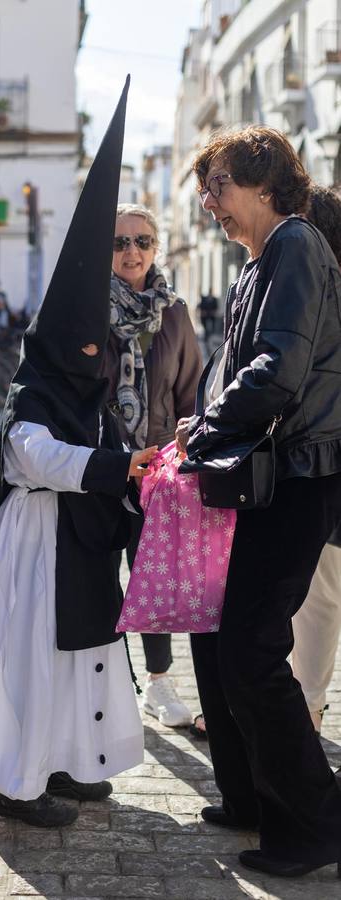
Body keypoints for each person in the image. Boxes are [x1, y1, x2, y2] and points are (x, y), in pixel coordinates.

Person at [0, 78, 153, 829]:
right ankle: (16, 782)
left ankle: (74, 763)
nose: (87, 355)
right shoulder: (33, 388)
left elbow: (104, 443)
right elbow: (33, 456)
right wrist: (114, 468)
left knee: (83, 658)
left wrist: (135, 464)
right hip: (35, 542)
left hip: (76, 544)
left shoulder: (87, 388)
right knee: (34, 665)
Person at [176, 126, 341, 879]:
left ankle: (314, 825)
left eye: (215, 185)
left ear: (262, 178)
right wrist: (202, 418)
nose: (207, 202)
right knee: (228, 641)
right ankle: (252, 798)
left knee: (250, 648)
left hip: (299, 477)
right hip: (270, 474)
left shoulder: (295, 245)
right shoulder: (260, 258)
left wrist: (208, 422)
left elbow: (277, 371)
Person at [102, 204, 202, 728]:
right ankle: (105, 679)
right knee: (98, 577)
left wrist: (184, 460)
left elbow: (191, 395)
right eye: (120, 243)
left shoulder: (176, 312)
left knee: (151, 577)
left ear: (156, 248)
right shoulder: (86, 309)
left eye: (142, 241)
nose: (131, 252)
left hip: (156, 471)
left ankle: (158, 683)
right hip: (98, 468)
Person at [291, 184, 341, 735]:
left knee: (319, 598)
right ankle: (306, 705)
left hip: (323, 467)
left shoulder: (317, 295)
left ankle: (307, 708)